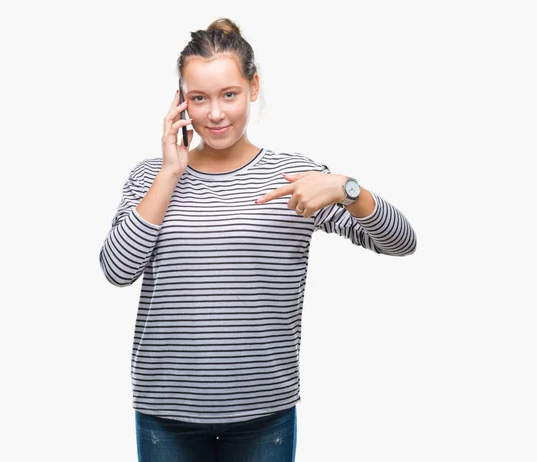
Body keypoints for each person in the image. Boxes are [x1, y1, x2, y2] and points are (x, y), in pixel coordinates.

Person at [99, 17, 417, 462]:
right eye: (198, 98)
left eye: (228, 94)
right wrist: (171, 171)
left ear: (253, 86)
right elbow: (117, 270)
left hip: (264, 411)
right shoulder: (150, 177)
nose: (214, 113)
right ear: (180, 102)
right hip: (165, 411)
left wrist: (348, 189)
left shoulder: (294, 177)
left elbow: (400, 242)